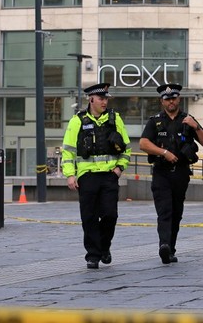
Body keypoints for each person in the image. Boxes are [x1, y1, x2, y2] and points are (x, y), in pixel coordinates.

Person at [139, 83, 203, 264]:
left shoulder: (188, 119)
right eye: (167, 99)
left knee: (176, 212)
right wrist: (163, 152)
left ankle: (170, 248)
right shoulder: (155, 121)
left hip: (180, 174)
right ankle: (164, 245)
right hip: (161, 172)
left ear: (179, 99)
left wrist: (196, 127)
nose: (171, 101)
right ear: (161, 101)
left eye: (173, 98)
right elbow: (143, 143)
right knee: (165, 211)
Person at [62, 83, 131, 269]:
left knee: (110, 215)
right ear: (91, 99)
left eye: (106, 98)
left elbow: (126, 148)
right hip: (87, 177)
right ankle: (93, 255)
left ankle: (104, 247)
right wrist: (70, 175)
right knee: (89, 217)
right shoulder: (77, 121)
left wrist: (119, 169)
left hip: (109, 176)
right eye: (101, 98)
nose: (104, 102)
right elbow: (68, 151)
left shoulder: (115, 119)